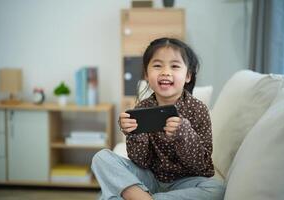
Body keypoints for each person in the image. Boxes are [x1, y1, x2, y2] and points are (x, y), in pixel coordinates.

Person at [91, 37, 225, 200]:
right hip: (150, 179)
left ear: (188, 75)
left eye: (174, 66)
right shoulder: (142, 109)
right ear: (147, 74)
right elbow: (141, 162)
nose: (165, 72)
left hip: (185, 182)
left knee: (217, 189)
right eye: (157, 65)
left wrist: (183, 133)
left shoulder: (198, 109)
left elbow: (202, 166)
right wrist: (134, 132)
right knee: (101, 157)